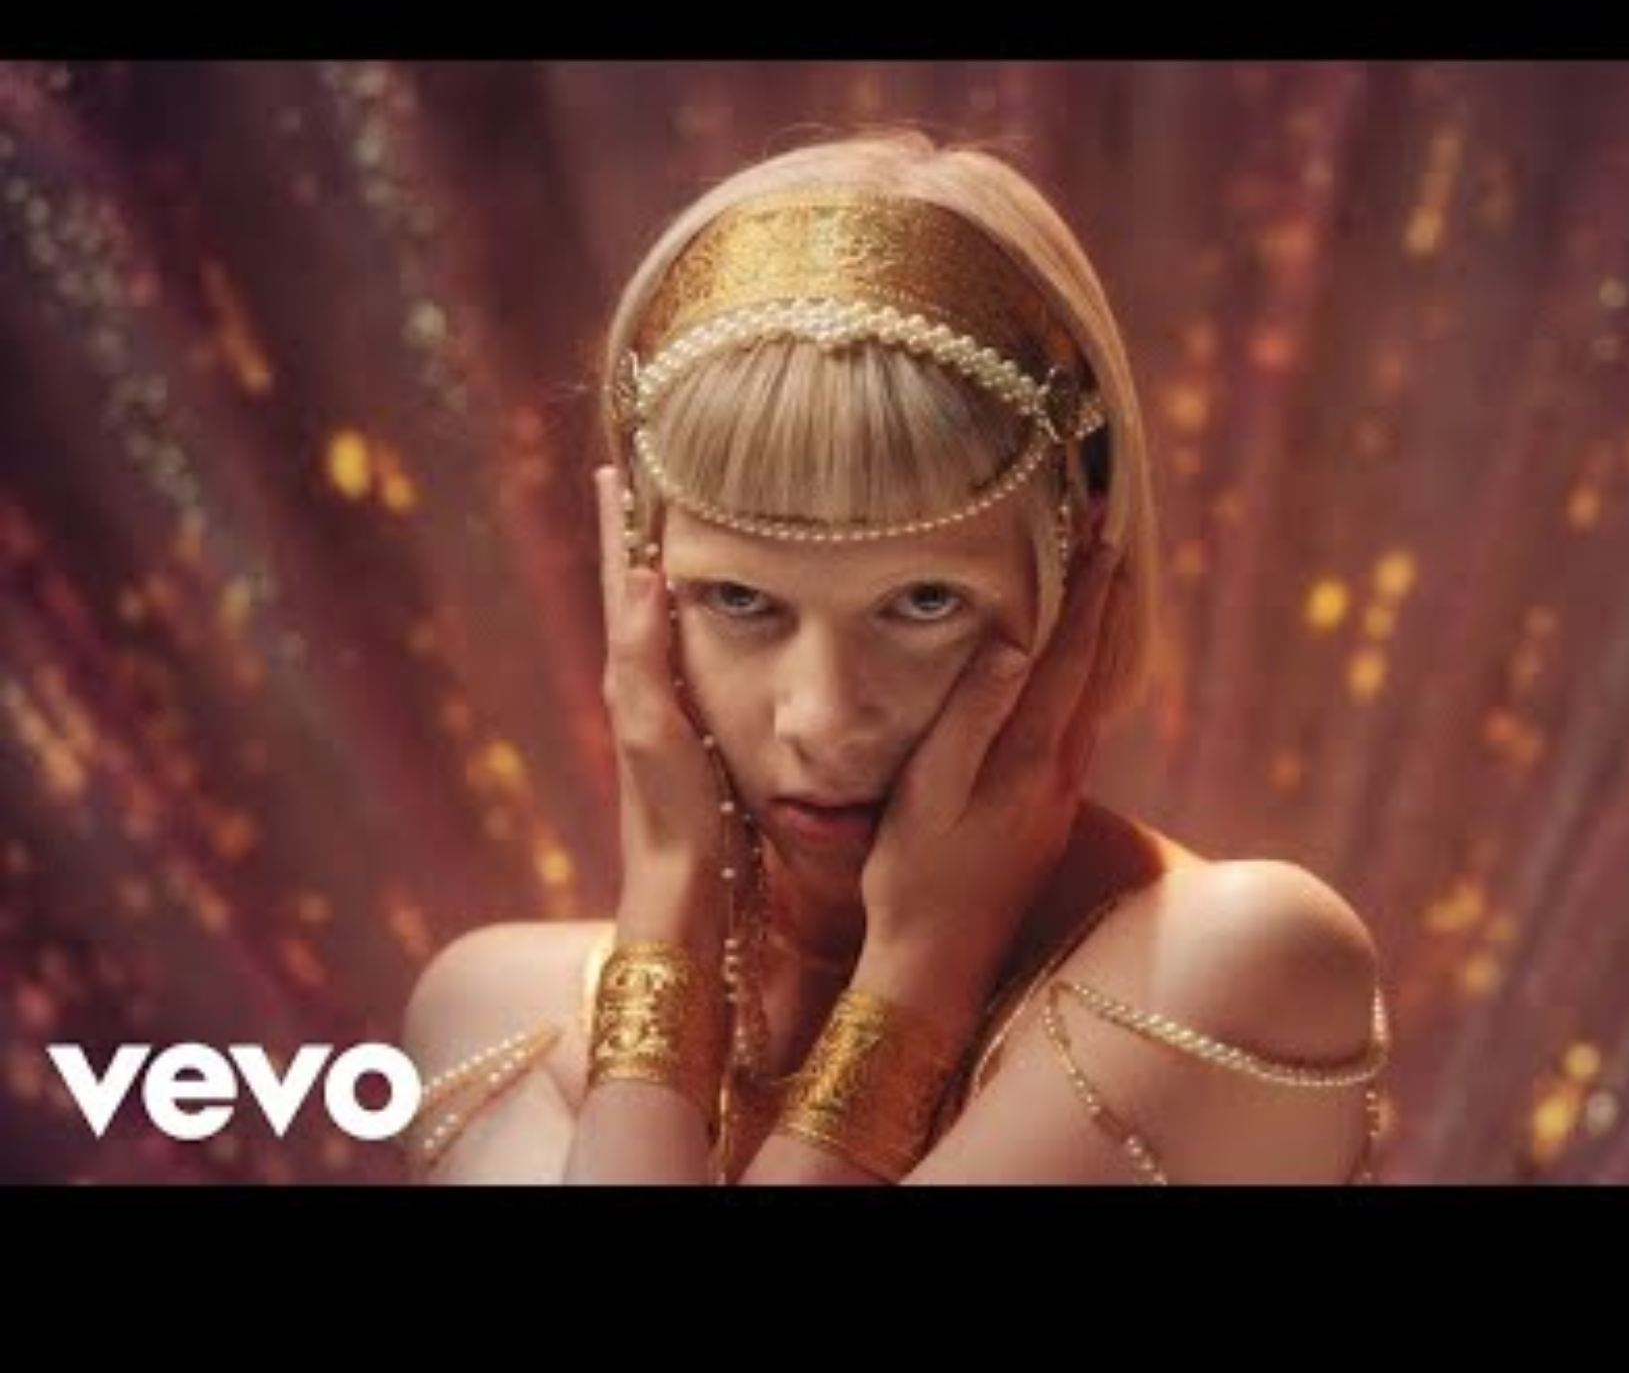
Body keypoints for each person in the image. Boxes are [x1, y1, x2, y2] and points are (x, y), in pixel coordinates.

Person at [399, 129, 1389, 1185]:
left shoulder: (1239, 968)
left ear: (1079, 563)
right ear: (638, 578)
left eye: (922, 603)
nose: (821, 719)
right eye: (740, 600)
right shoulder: (497, 1018)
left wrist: (924, 969)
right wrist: (669, 917)